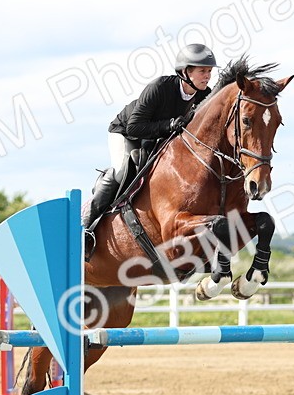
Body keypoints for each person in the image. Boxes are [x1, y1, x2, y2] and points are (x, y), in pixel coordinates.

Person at [82, 43, 218, 250]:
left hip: (156, 137)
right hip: (126, 132)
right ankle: (86, 226)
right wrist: (169, 125)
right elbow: (135, 127)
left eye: (209, 71)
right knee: (121, 171)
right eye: (202, 71)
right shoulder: (160, 87)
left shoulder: (203, 96)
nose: (207, 76)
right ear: (185, 72)